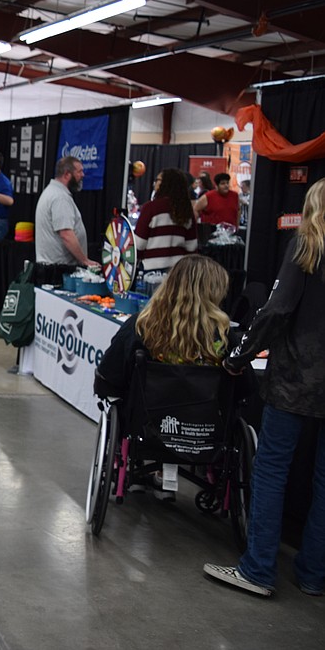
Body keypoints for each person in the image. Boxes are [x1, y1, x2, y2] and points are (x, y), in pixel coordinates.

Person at [204, 177, 325, 599]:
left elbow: (276, 311)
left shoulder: (306, 245)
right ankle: (313, 573)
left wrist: (240, 355)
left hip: (296, 379)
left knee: (272, 469)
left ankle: (257, 569)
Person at [95, 255, 234, 500]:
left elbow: (109, 374)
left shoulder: (142, 326)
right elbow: (242, 391)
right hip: (205, 431)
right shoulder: (224, 337)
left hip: (150, 427)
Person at [34, 156, 99, 285]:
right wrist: (85, 261)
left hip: (52, 269)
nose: (83, 175)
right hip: (57, 272)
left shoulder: (53, 192)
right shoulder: (60, 197)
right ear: (67, 174)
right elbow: (66, 235)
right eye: (79, 171)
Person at [134, 167, 197, 273]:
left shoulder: (151, 207)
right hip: (178, 271)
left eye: (157, 180)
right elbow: (192, 246)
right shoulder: (186, 209)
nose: (155, 183)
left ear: (165, 183)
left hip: (152, 271)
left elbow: (139, 244)